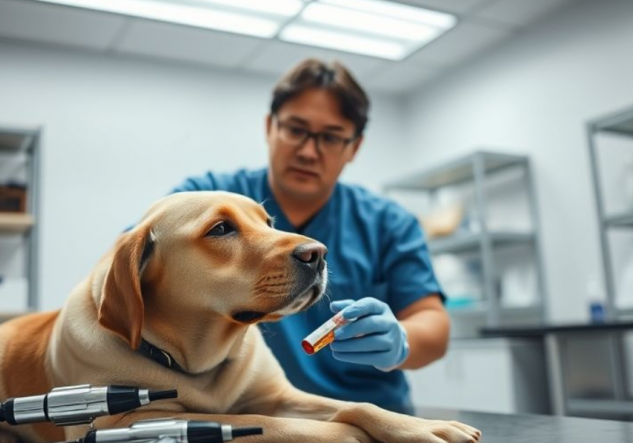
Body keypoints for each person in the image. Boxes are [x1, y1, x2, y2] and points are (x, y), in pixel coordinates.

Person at [171, 58, 448, 415]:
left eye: (330, 138)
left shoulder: (388, 223)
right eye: (295, 130)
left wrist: (402, 341)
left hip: (369, 422)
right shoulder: (208, 198)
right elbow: (139, 260)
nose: (308, 151)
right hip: (251, 420)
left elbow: (433, 323)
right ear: (270, 127)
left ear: (354, 147)